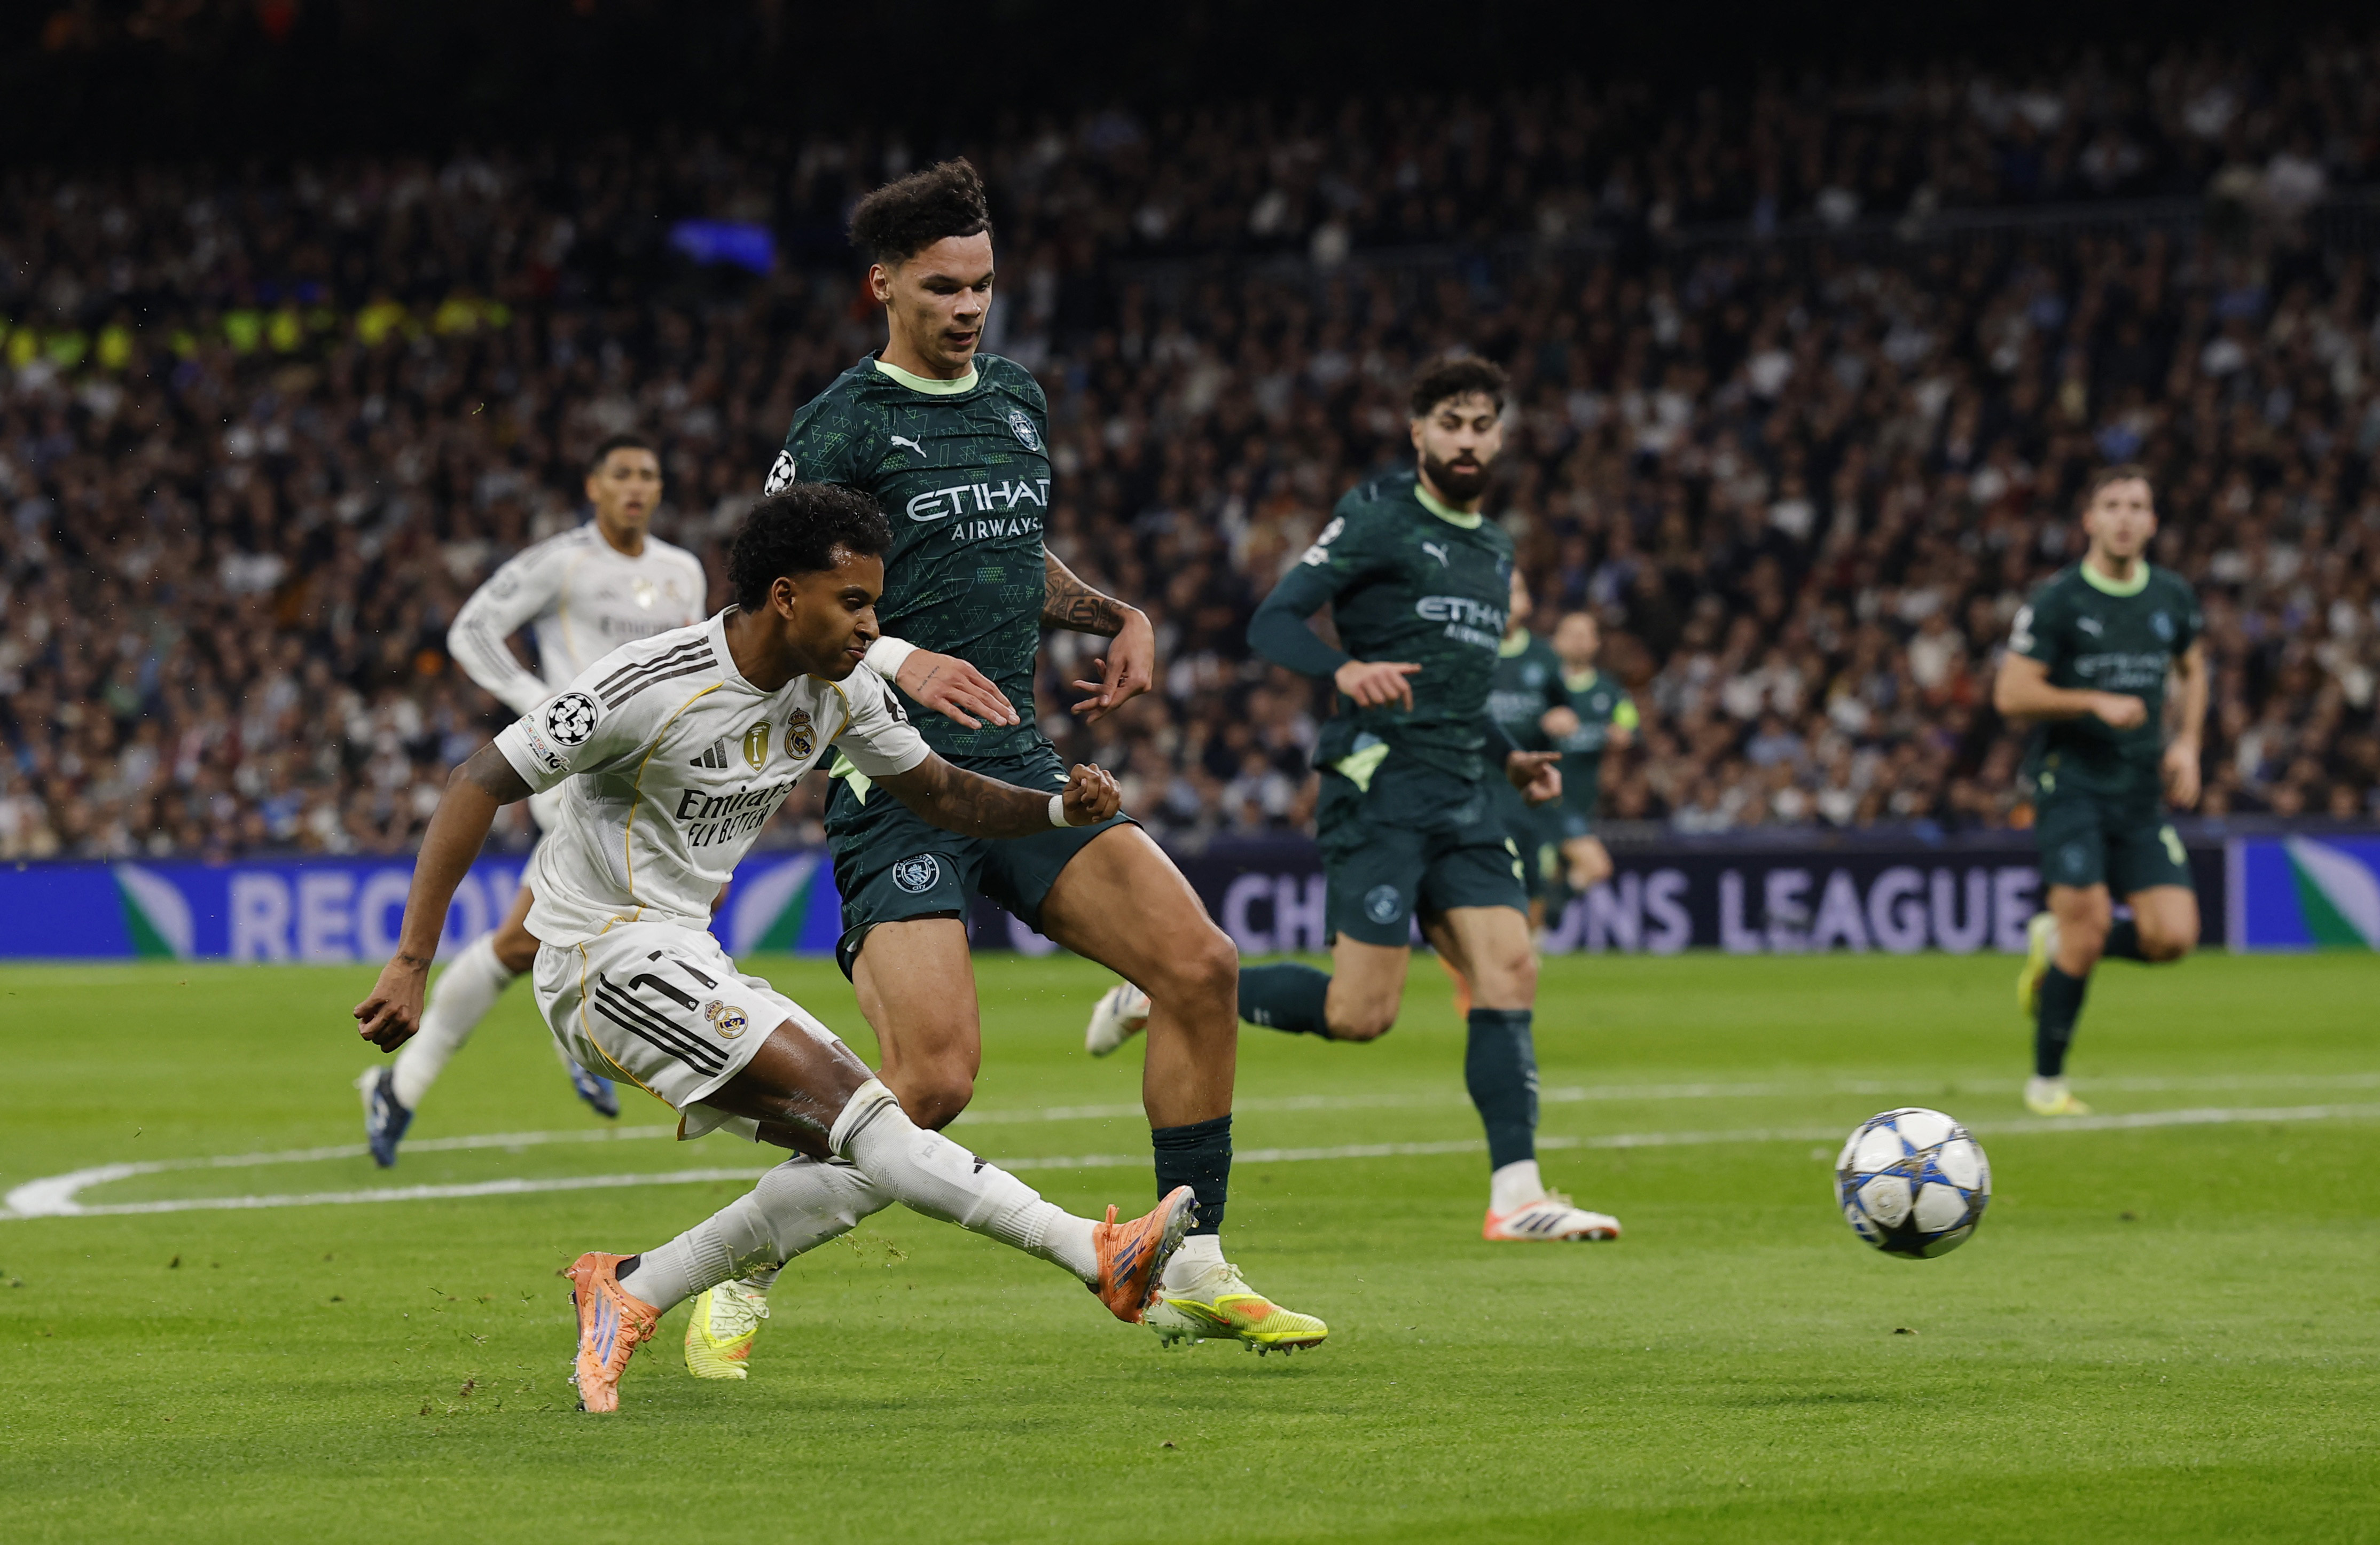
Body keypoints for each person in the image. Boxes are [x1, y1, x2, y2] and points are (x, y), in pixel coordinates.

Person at [351, 485, 1197, 1413]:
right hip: (601, 961)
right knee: (870, 1120)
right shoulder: (648, 684)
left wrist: (1055, 812)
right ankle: (1094, 1254)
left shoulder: (842, 688)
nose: (871, 625)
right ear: (786, 597)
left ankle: (634, 1285)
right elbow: (477, 781)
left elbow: (941, 793)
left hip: (686, 954)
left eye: (874, 603)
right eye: (854, 602)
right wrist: (412, 960)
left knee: (866, 1146)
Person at [760, 158, 1324, 1356]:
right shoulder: (840, 422)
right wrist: (894, 654)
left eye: (983, 284)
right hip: (895, 778)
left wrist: (1116, 612)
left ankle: (1196, 1263)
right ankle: (733, 1267)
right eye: (943, 287)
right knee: (930, 1086)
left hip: (1019, 763)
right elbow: (769, 595)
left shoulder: (1015, 397)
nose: (970, 306)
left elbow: (1010, 554)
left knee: (1200, 966)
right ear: (883, 285)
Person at [1227, 355, 1624, 1244]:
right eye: (1451, 423)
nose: (1467, 439)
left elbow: (1458, 691)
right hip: (1381, 784)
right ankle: (1182, 987)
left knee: (1510, 967)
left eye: (1483, 424)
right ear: (1418, 433)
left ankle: (1516, 1195)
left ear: (1502, 437)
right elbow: (1273, 620)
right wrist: (1344, 669)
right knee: (1359, 1014)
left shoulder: (1494, 549)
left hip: (1465, 789)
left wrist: (1511, 760)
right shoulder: (1378, 516)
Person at [360, 433, 708, 1167]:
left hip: (647, 779)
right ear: (594, 487)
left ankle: (412, 1083)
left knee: (523, 942)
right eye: (621, 474)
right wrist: (541, 702)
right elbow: (472, 629)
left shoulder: (683, 571)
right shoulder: (564, 562)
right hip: (577, 771)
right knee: (550, 934)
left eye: (648, 474)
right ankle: (575, 1044)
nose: (636, 486)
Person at [1995, 464, 2206, 1116]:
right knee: (2087, 925)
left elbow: (2193, 668)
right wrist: (2091, 701)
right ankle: (2046, 1084)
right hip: (2072, 783)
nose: (2124, 517)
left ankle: (2055, 944)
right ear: (2088, 520)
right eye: (2111, 504)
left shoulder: (2171, 596)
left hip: (2139, 792)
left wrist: (2187, 742)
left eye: (2136, 506)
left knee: (2173, 937)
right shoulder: (2059, 599)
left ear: (2152, 522)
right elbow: (2011, 694)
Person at [1543, 609, 1637, 900]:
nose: (1579, 641)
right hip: (1546, 800)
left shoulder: (1609, 690)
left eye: (1585, 635)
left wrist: (1623, 734)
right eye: (1571, 634)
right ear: (1555, 641)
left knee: (1554, 877)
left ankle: (1548, 911)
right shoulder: (1542, 684)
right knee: (1596, 866)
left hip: (1584, 801)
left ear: (1597, 643)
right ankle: (1553, 907)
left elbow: (1629, 724)